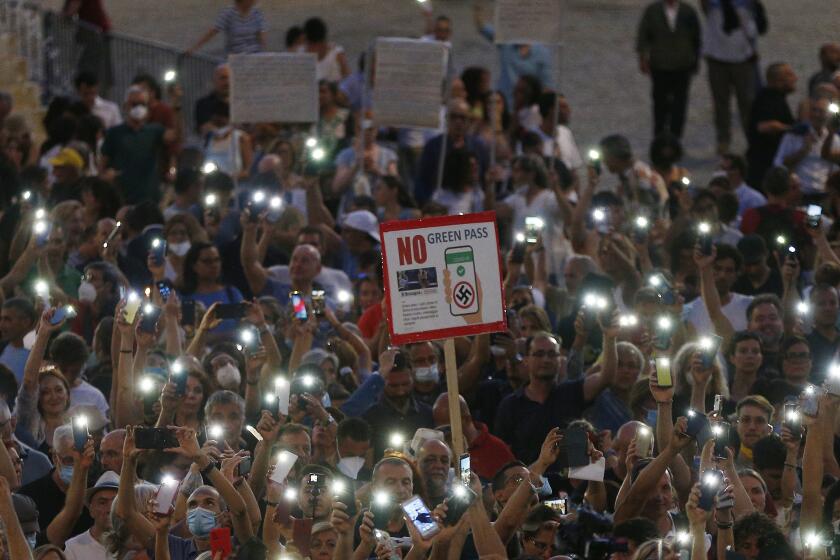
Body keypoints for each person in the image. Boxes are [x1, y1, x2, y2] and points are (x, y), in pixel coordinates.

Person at [99, 86, 181, 204]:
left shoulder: (154, 131)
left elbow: (175, 135)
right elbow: (102, 167)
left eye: (142, 104)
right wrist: (107, 176)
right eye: (134, 104)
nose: (139, 108)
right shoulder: (114, 133)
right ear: (125, 106)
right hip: (122, 199)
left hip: (150, 197)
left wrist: (176, 107)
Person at [700, 0, 761, 155]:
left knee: (746, 102)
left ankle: (752, 138)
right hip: (717, 57)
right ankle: (723, 139)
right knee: (721, 103)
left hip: (742, 57)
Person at [635, 0, 701, 139]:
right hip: (660, 65)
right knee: (660, 103)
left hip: (682, 64)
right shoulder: (653, 11)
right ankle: (659, 136)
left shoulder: (687, 11)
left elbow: (696, 38)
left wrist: (695, 61)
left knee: (680, 103)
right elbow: (643, 35)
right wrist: (642, 57)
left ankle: (676, 137)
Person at [773, 95, 840, 196]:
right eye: (814, 110)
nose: (817, 115)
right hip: (798, 194)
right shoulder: (794, 136)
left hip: (823, 194)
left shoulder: (834, 139)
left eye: (821, 111)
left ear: (828, 114)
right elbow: (779, 164)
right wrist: (803, 151)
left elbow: (835, 169)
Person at [745, 63, 797, 189]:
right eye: (789, 75)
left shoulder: (775, 98)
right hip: (763, 167)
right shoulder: (768, 99)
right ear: (778, 80)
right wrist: (793, 129)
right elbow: (764, 126)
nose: (795, 78)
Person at [187, 0, 267, 56]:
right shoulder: (228, 13)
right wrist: (194, 48)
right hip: (235, 56)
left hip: (253, 56)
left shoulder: (256, 13)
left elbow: (261, 35)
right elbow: (213, 31)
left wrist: (263, 55)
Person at [302, 17, 350, 82]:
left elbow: (349, 81)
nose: (309, 48)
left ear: (321, 42)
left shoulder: (337, 54)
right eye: (307, 44)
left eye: (311, 45)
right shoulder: (301, 54)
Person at [0, 297, 36, 383]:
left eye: (7, 319)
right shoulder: (1, 348)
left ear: (25, 322)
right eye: (1, 319)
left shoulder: (39, 354)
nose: (1, 325)